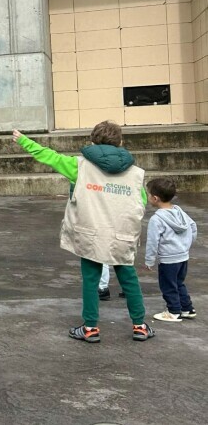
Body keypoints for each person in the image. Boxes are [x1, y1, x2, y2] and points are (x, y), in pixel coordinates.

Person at [13, 122, 155, 343]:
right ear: (120, 142)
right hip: (122, 235)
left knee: (91, 280)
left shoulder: (78, 166)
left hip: (91, 233)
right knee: (129, 279)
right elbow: (141, 203)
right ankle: (140, 326)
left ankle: (90, 329)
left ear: (92, 142)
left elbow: (49, 156)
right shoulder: (136, 174)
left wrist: (24, 140)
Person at [144, 178, 197, 323]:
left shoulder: (156, 219)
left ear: (155, 198)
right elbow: (193, 227)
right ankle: (187, 308)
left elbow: (152, 241)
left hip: (168, 260)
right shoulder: (179, 211)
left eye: (148, 194)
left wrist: (149, 260)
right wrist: (186, 244)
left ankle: (173, 311)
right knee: (179, 283)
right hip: (183, 257)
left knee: (168, 286)